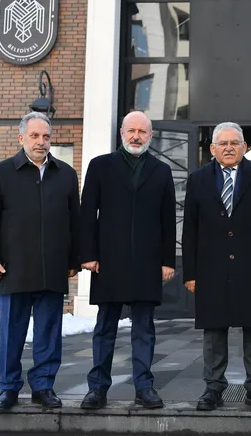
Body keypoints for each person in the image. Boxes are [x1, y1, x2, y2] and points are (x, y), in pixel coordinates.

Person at [0, 111, 80, 410]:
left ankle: (43, 387)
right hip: (13, 269)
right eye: (34, 136)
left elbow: (75, 221)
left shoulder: (66, 174)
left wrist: (74, 259)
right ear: (21, 137)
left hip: (52, 269)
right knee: (12, 333)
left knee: (49, 333)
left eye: (46, 136)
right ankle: (8, 388)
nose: (41, 142)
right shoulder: (1, 172)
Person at [182, 123, 251, 412]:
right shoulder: (198, 179)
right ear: (212, 149)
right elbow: (190, 230)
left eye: (234, 143)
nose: (229, 148)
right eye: (223, 143)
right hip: (211, 268)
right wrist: (190, 272)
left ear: (244, 147)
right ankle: (213, 388)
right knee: (214, 332)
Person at [79, 111, 176, 410]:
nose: (136, 136)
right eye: (131, 130)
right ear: (121, 133)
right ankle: (97, 389)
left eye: (142, 132)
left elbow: (168, 219)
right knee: (105, 328)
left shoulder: (162, 171)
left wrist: (168, 260)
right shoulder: (100, 166)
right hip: (108, 261)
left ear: (151, 136)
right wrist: (88, 254)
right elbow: (87, 213)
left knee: (144, 329)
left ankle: (144, 387)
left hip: (147, 262)